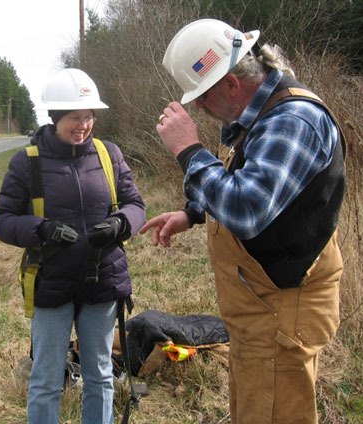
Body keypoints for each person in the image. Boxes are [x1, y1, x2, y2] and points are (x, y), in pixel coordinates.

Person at [139, 19, 346, 423]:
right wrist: (192, 212)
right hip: (262, 311)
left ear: (231, 84)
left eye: (201, 96)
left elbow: (249, 209)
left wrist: (188, 150)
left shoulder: (292, 120)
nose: (198, 106)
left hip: (281, 312)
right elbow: (250, 185)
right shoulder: (257, 118)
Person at [0, 68, 145, 424]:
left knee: (101, 375)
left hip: (103, 279)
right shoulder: (27, 162)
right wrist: (40, 230)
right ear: (55, 116)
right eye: (75, 118)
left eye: (89, 117)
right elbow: (1, 219)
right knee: (45, 380)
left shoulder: (109, 155)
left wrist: (121, 223)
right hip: (52, 280)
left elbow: (136, 204)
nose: (84, 125)